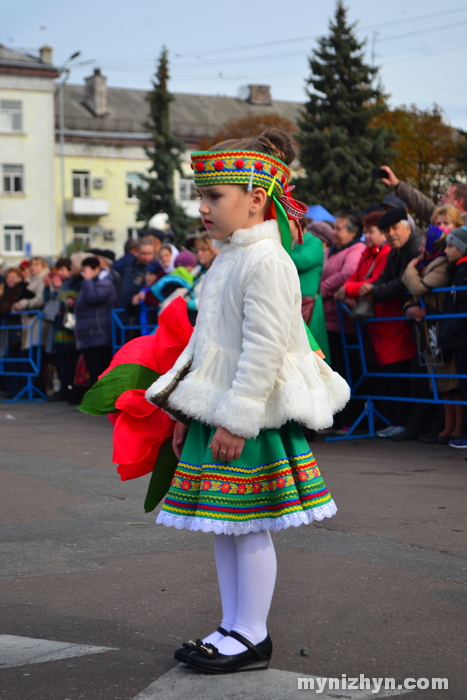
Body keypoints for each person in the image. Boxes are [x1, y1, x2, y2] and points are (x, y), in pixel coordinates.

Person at [145, 128, 350, 674]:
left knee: (250, 522)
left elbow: (262, 351)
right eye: (202, 196)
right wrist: (184, 409)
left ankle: (253, 633)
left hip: (249, 416)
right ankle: (231, 625)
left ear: (256, 198)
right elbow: (204, 343)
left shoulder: (269, 261)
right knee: (223, 523)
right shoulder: (228, 258)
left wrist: (237, 420)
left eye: (215, 196)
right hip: (218, 412)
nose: (203, 207)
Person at [402, 212, 464, 443]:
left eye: (445, 224)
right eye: (436, 224)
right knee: (442, 382)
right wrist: (410, 309)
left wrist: (410, 268)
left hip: (442, 324)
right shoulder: (430, 260)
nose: (439, 229)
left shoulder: (441, 262)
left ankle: (456, 429)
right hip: (431, 328)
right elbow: (413, 296)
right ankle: (448, 428)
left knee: (452, 381)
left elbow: (420, 288)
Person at [320, 210, 365, 428]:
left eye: (339, 228)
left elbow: (347, 273)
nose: (334, 232)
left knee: (346, 370)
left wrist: (322, 289)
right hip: (326, 318)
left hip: (343, 322)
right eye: (334, 228)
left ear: (353, 232)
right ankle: (335, 417)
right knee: (331, 370)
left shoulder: (357, 249)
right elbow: (321, 271)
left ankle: (349, 418)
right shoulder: (330, 251)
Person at [437, 226, 467, 448]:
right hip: (454, 337)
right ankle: (454, 429)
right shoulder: (456, 270)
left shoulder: (463, 271)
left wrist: (449, 329)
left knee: (462, 385)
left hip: (460, 336)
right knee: (456, 385)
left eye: (451, 246)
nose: (446, 250)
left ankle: (461, 430)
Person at [289, 218, 330, 363]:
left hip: (309, 305)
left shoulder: (314, 242)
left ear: (298, 224)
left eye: (286, 221)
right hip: (297, 304)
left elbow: (302, 261)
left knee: (313, 352)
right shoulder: (293, 246)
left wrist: (278, 249)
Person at [74, 256, 117, 386]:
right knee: (92, 371)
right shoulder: (91, 282)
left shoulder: (105, 282)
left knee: (100, 371)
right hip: (89, 334)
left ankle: (101, 402)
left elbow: (94, 298)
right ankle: (95, 402)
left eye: (86, 270)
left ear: (96, 269)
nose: (84, 274)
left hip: (99, 333)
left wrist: (87, 281)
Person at [380, 165, 467, 225]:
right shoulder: (440, 215)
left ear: (459, 202)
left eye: (447, 196)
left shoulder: (463, 230)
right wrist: (397, 183)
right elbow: (421, 203)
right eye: (439, 224)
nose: (442, 199)